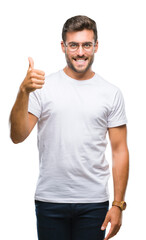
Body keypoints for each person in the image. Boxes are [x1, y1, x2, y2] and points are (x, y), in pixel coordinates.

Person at [10, 15, 129, 240]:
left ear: (96, 46)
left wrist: (118, 204)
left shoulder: (111, 93)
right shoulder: (42, 88)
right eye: (73, 45)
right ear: (63, 46)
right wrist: (23, 93)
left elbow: (119, 150)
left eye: (86, 44)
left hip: (94, 203)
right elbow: (17, 136)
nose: (80, 52)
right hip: (50, 201)